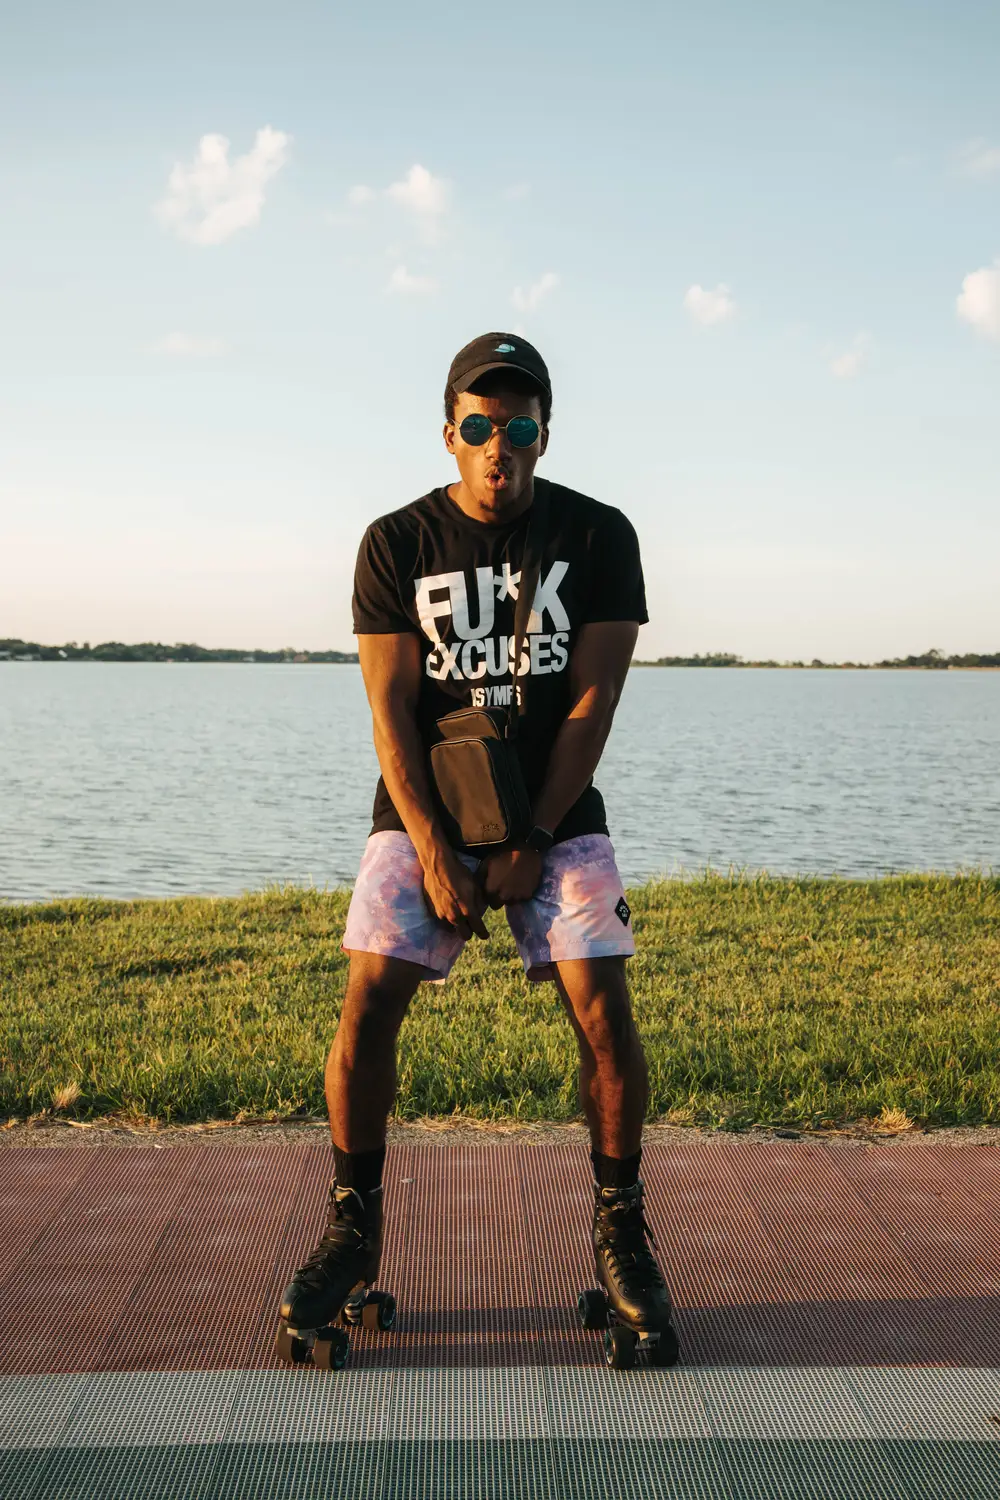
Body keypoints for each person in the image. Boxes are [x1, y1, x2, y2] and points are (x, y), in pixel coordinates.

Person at [277, 332, 678, 1369]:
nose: (500, 444)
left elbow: (592, 703)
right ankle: (350, 1228)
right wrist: (435, 848)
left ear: (545, 433)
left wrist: (536, 839)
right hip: (424, 805)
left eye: (521, 425)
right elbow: (389, 710)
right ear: (449, 432)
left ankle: (620, 1229)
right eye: (479, 425)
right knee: (368, 990)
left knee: (602, 999)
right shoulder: (395, 542)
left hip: (557, 806)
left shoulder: (597, 536)